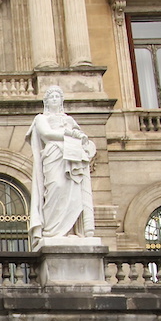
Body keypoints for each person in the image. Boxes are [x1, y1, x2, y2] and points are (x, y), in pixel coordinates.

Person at [26, 85, 97, 241]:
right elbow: (47, 134)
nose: (54, 99)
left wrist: (81, 138)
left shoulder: (69, 120)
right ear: (46, 101)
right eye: (51, 97)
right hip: (53, 155)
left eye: (57, 96)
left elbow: (83, 139)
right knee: (55, 187)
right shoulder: (41, 118)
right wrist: (69, 133)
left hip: (71, 155)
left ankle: (70, 231)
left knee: (73, 192)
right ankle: (52, 230)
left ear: (61, 100)